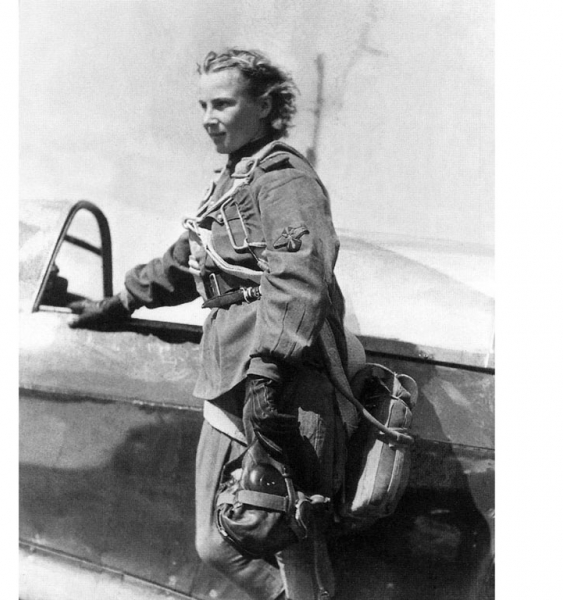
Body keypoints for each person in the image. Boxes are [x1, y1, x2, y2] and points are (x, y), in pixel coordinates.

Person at [70, 48, 349, 600]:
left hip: (284, 379)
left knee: (284, 536)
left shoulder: (283, 178)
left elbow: (302, 273)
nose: (208, 117)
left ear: (264, 106)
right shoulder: (235, 178)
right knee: (224, 540)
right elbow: (186, 261)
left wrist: (270, 368)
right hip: (231, 373)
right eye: (203, 105)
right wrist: (123, 300)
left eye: (223, 103)